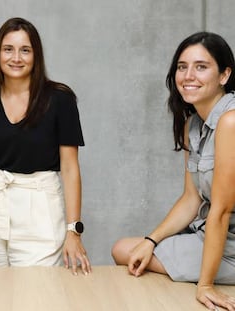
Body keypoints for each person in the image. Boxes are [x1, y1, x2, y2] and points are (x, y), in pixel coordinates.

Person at [111, 31, 235, 310]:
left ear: (224, 75)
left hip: (230, 245)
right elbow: (191, 198)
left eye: (201, 67)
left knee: (126, 254)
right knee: (127, 249)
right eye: (182, 67)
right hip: (211, 235)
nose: (188, 75)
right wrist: (151, 240)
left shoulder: (231, 121)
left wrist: (205, 285)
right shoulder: (191, 124)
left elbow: (222, 210)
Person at [0, 17, 91, 275]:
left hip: (40, 212)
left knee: (38, 295)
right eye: (8, 49)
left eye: (25, 50)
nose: (16, 58)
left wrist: (72, 230)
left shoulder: (60, 100)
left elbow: (69, 169)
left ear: (36, 55)